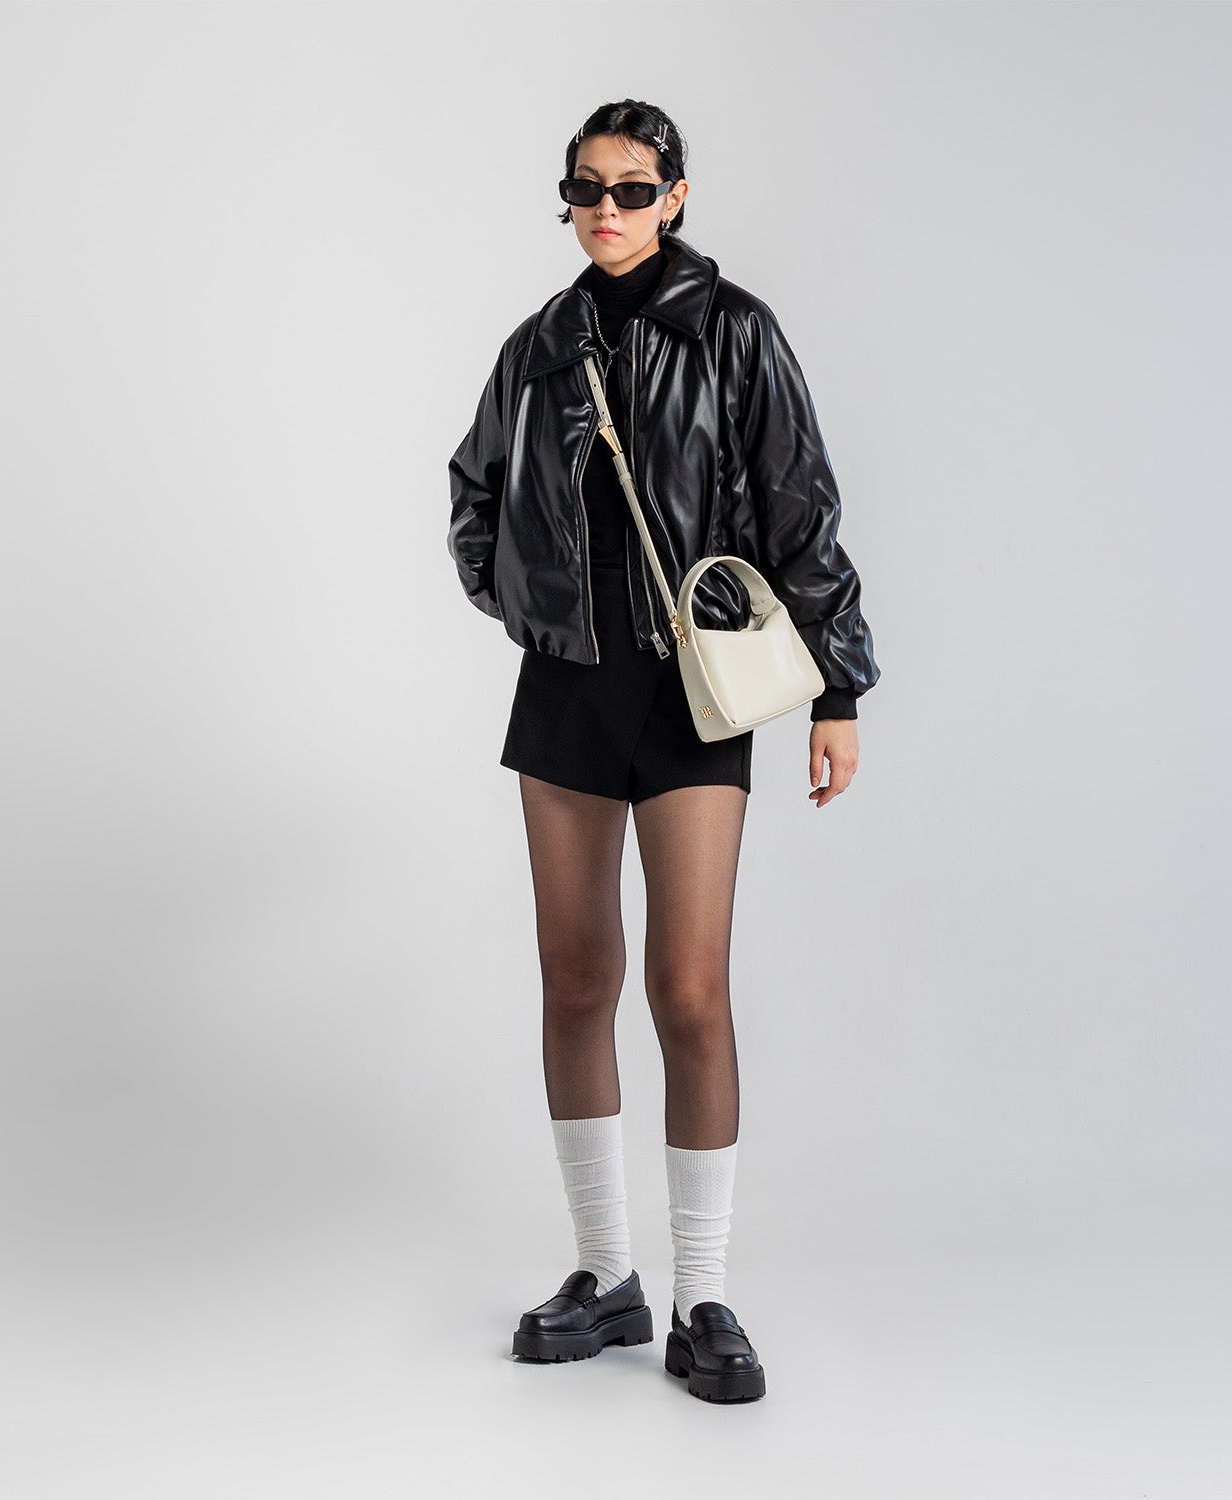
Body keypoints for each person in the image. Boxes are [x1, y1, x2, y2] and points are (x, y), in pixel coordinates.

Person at [446, 99, 881, 1404]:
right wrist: (529, 602)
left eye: (632, 189)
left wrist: (839, 689)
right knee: (577, 978)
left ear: (677, 196)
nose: (606, 211)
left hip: (696, 693)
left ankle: (704, 1295)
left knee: (689, 992)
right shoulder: (542, 345)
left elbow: (799, 503)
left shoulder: (735, 331)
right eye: (585, 189)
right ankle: (606, 1275)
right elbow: (474, 491)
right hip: (566, 691)